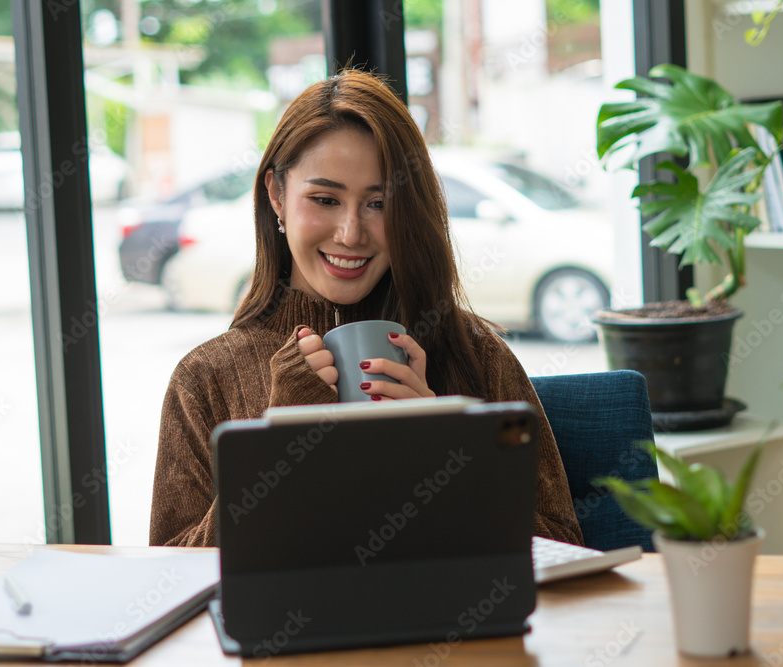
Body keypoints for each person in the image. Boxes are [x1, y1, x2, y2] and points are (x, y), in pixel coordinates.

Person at [149, 69, 583, 548]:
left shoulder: (476, 354)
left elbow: (564, 545)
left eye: (378, 203)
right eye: (325, 199)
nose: (351, 233)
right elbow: (174, 575)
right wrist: (276, 450)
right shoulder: (205, 378)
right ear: (276, 194)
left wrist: (442, 451)